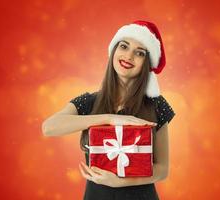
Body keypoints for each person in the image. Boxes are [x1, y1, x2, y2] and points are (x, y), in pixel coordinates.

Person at [42, 20, 176, 200]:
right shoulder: (89, 102)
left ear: (146, 62)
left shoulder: (156, 105)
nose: (129, 56)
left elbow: (162, 169)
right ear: (114, 50)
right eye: (124, 46)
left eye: (139, 53)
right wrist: (109, 118)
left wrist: (121, 181)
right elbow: (49, 127)